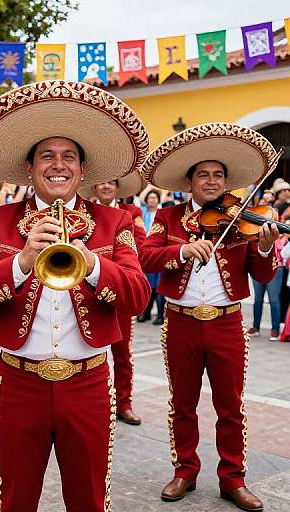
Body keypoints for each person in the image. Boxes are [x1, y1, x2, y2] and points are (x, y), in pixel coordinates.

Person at [0, 80, 151, 511]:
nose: (58, 165)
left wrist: (93, 262)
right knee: (16, 498)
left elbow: (137, 297)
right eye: (47, 155)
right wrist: (22, 260)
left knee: (88, 499)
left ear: (83, 170)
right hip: (18, 382)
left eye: (69, 157)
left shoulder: (115, 221)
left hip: (88, 383)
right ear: (30, 168)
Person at [140, 122, 280, 512]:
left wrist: (266, 248)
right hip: (181, 321)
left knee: (230, 404)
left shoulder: (242, 219)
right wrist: (182, 252)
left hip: (226, 321)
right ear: (190, 181)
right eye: (204, 174)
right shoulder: (169, 219)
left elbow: (262, 274)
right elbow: (145, 257)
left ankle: (232, 478)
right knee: (182, 402)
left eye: (219, 175)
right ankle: (185, 469)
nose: (213, 181)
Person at [82, 174, 146, 426]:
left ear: (118, 188)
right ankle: (91, 404)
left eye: (111, 182)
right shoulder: (84, 212)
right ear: (95, 186)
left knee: (122, 351)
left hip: (118, 287)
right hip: (88, 288)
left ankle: (124, 403)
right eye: (102, 182)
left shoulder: (131, 212)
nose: (106, 185)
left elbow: (139, 243)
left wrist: (109, 265)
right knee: (88, 348)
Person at [138, 187, 165, 324]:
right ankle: (146, 312)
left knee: (159, 285)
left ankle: (160, 314)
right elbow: (141, 198)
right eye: (150, 198)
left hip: (160, 252)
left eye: (154, 198)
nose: (152, 200)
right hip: (145, 253)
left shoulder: (162, 214)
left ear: (158, 200)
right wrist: (149, 185)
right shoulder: (142, 213)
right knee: (148, 285)